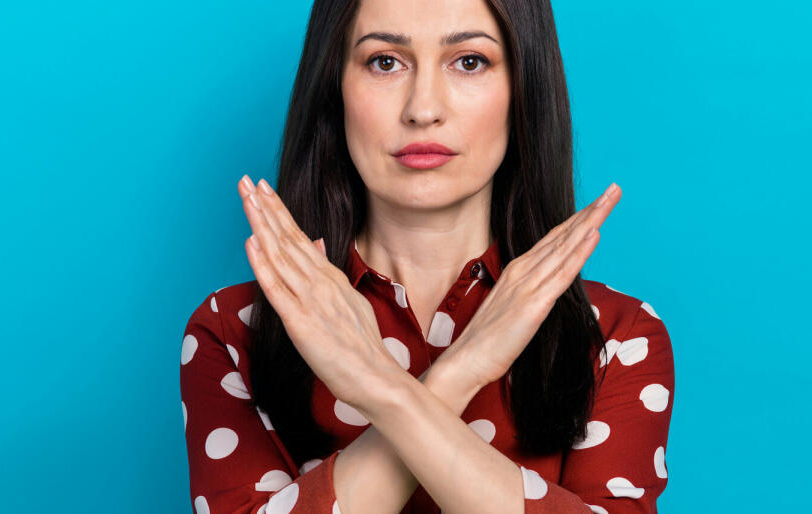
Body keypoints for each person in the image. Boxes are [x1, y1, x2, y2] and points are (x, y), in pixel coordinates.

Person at [180, 0, 674, 512]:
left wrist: (382, 390)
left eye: (469, 61)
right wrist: (459, 373)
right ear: (335, 88)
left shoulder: (618, 336)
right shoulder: (234, 332)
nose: (423, 109)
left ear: (523, 88)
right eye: (385, 62)